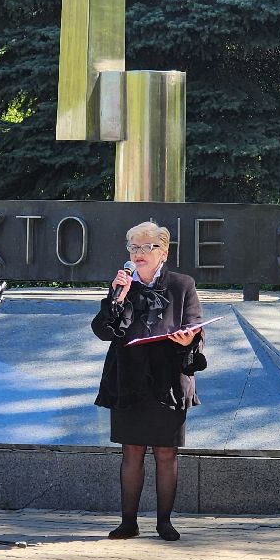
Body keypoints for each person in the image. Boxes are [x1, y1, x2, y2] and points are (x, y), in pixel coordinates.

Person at [91, 221, 207, 542]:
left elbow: (196, 325)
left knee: (166, 453)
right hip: (128, 379)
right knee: (131, 451)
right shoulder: (122, 284)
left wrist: (188, 341)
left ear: (163, 252)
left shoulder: (182, 285)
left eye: (146, 247)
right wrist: (117, 299)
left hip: (168, 380)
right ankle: (128, 522)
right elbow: (103, 330)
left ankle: (164, 523)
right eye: (133, 248)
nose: (138, 253)